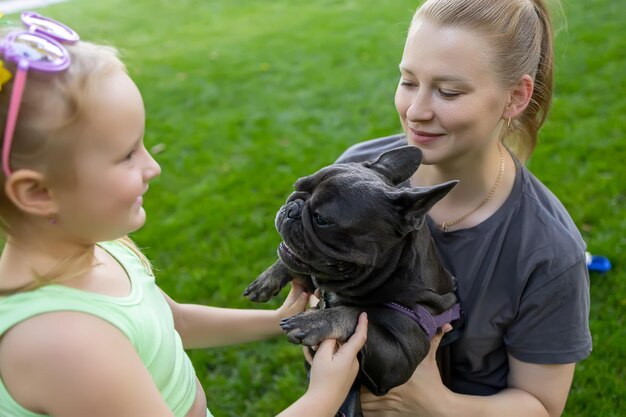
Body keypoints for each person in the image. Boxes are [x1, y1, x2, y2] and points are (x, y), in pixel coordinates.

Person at [0, 12, 367, 417]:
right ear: (37, 192)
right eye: (126, 155)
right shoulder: (63, 341)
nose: (152, 167)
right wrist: (323, 397)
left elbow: (172, 322)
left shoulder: (95, 245)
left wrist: (278, 320)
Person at [336, 0, 592, 416]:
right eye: (408, 81)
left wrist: (435, 404)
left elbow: (541, 405)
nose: (416, 111)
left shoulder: (547, 251)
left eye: (448, 91)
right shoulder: (357, 174)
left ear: (515, 97)